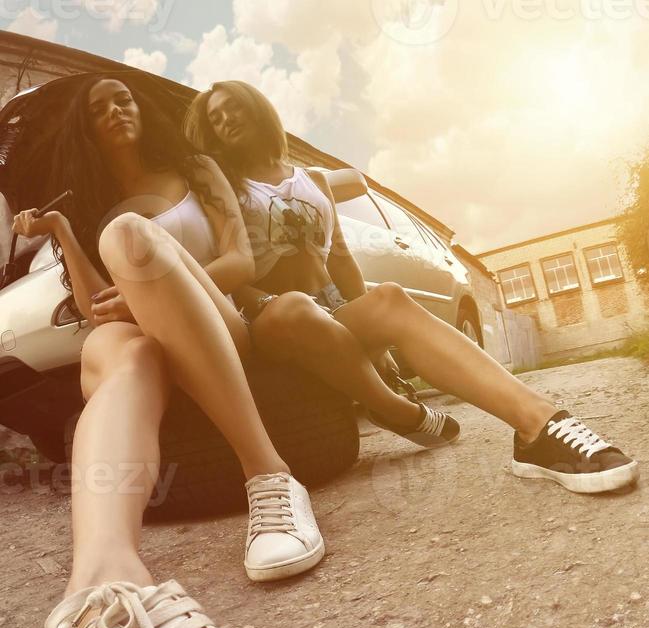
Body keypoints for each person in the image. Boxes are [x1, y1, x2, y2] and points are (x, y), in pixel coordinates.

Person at [15, 75, 374, 628]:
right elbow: (88, 305)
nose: (115, 110)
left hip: (218, 320)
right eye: (97, 108)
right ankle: (98, 599)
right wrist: (59, 236)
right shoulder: (86, 207)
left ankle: (267, 475)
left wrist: (160, 275)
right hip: (144, 334)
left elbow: (240, 262)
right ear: (86, 131)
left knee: (130, 241)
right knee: (120, 345)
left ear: (143, 113)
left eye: (123, 98)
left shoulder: (198, 171)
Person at [184, 80, 639, 495]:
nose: (225, 121)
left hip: (331, 308)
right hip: (269, 316)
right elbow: (230, 260)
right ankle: (397, 411)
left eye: (232, 108)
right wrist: (260, 301)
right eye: (215, 119)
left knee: (391, 299)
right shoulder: (223, 182)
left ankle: (538, 426)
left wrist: (376, 338)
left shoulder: (314, 180)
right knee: (295, 309)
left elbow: (339, 258)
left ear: (256, 108)